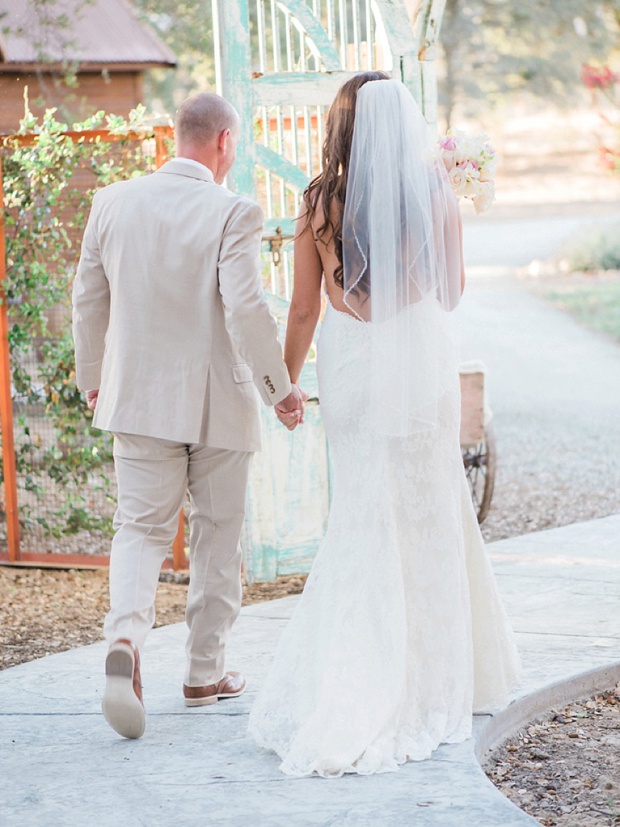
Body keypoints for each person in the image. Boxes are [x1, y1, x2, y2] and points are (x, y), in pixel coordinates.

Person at [248, 72, 521, 776]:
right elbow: (453, 293)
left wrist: (285, 386)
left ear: (342, 129)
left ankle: (356, 672)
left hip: (353, 375)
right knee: (430, 511)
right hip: (419, 364)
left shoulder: (315, 201)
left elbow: (304, 310)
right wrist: (442, 233)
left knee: (364, 512)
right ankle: (434, 674)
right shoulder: (434, 192)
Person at [72, 92, 304, 740]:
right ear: (225, 142)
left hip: (137, 400)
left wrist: (94, 381)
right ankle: (205, 674)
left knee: (141, 530)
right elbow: (246, 308)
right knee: (216, 537)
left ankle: (125, 635)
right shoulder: (233, 211)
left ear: (180, 136)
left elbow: (86, 299)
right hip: (217, 402)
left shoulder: (110, 202)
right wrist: (279, 388)